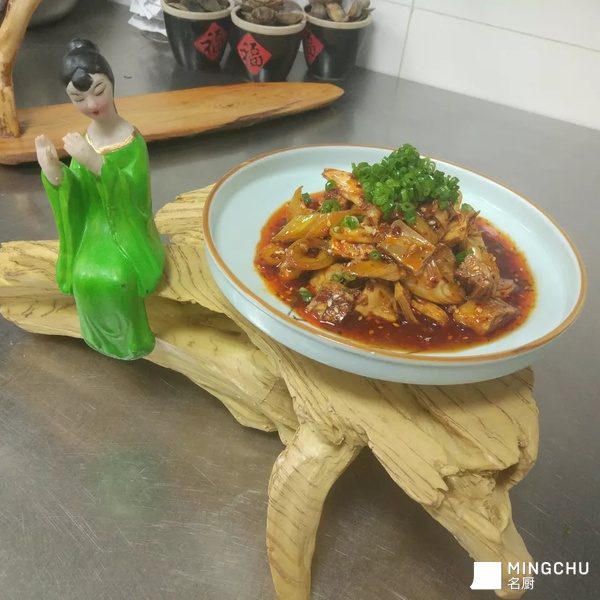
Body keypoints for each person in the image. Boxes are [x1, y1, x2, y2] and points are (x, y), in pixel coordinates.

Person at [34, 39, 165, 360]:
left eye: (98, 91)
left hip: (126, 232)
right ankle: (97, 337)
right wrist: (54, 171)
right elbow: (78, 194)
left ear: (112, 84)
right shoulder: (86, 139)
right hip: (93, 229)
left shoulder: (131, 140)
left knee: (118, 278)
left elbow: (136, 198)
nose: (91, 104)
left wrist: (97, 164)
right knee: (83, 274)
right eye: (78, 98)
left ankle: (133, 340)